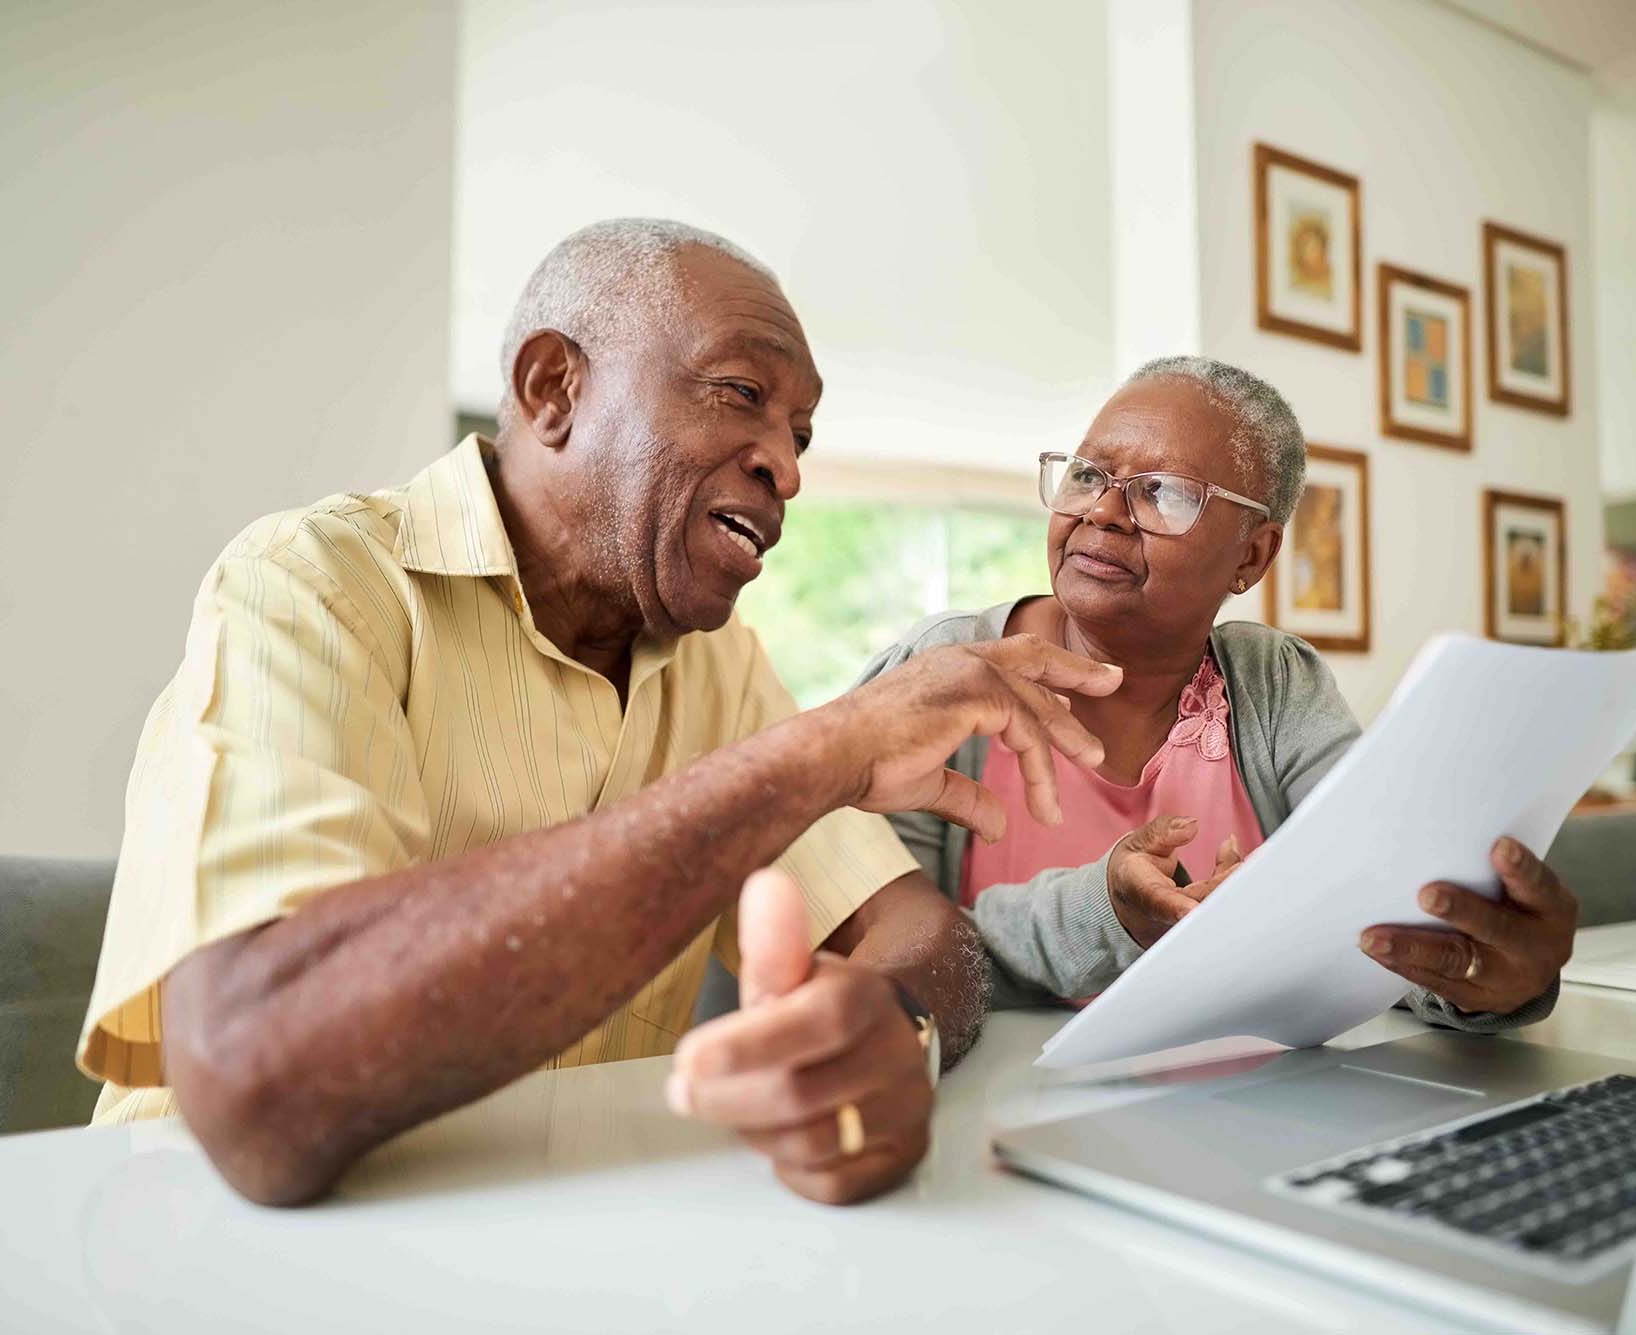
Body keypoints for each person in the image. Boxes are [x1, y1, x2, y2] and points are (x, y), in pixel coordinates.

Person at [76, 219, 1124, 1207]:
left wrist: (891, 1027)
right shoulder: (317, 584)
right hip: (210, 1244)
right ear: (551, 388)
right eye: (739, 392)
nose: (787, 467)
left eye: (799, 432)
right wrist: (824, 750)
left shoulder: (715, 667)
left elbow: (915, 928)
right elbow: (263, 1077)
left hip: (570, 1239)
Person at [859, 356, 1576, 1024]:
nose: (1102, 512)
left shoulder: (1276, 685)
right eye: (1086, 474)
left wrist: (1485, 978)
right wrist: (1104, 914)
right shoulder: (947, 666)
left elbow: (1373, 912)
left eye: (1163, 492)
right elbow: (894, 948)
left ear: (1252, 555)